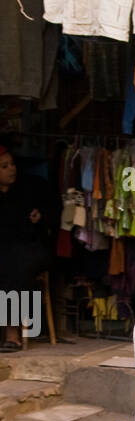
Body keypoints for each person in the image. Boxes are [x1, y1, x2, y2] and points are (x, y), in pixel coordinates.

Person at [0, 146, 50, 352]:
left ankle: (13, 333)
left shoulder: (28, 189)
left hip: (30, 250)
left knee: (12, 268)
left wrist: (40, 217)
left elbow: (52, 211)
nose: (11, 169)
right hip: (5, 251)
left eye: (12, 164)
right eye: (4, 166)